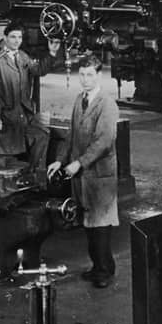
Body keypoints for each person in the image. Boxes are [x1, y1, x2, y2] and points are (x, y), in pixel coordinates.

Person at [49, 57, 120, 287]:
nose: (85, 79)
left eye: (90, 75)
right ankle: (97, 266)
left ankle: (105, 272)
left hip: (99, 175)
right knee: (89, 222)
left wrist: (79, 163)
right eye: (82, 74)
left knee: (100, 224)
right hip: (83, 175)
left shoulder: (106, 104)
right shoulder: (80, 99)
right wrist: (60, 161)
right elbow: (71, 135)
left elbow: (104, 141)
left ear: (99, 76)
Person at [0, 26, 49, 170]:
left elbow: (39, 71)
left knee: (42, 135)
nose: (17, 41)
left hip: (23, 115)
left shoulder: (22, 56)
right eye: (13, 37)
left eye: (19, 37)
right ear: (5, 38)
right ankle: (5, 187)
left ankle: (33, 174)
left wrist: (51, 53)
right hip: (5, 118)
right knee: (5, 160)